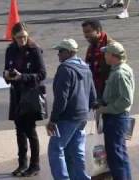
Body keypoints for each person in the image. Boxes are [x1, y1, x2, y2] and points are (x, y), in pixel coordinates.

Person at [47, 38, 96, 180]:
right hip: (82, 116)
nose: (58, 54)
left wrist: (53, 120)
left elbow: (61, 98)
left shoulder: (65, 69)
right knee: (75, 151)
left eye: (60, 51)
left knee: (56, 149)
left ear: (69, 52)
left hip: (67, 117)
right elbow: (92, 94)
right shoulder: (85, 67)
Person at [3, 22, 46, 177]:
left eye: (24, 37)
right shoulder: (11, 50)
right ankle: (22, 163)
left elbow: (42, 74)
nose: (22, 40)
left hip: (30, 94)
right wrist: (6, 75)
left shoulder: (34, 50)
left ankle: (35, 165)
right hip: (16, 94)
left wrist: (23, 77)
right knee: (19, 130)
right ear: (13, 37)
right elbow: (6, 69)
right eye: (19, 37)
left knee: (30, 130)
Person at [96, 41, 134, 180]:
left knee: (115, 156)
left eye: (106, 53)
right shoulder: (120, 69)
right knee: (120, 154)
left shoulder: (120, 73)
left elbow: (126, 100)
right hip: (116, 117)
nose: (104, 55)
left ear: (114, 55)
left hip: (116, 118)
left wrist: (105, 109)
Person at [82, 19, 114, 99]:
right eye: (84, 32)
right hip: (97, 90)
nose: (86, 35)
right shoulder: (92, 46)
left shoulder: (111, 46)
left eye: (88, 31)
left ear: (98, 30)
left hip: (110, 92)